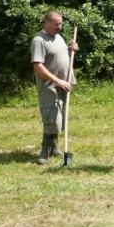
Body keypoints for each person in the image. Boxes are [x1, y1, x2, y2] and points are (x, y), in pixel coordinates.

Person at [30, 11, 77, 165]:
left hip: (64, 83)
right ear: (47, 23)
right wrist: (57, 80)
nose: (60, 27)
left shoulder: (58, 37)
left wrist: (72, 50)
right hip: (49, 85)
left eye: (61, 23)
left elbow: (60, 56)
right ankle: (45, 151)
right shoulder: (39, 40)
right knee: (51, 118)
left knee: (60, 118)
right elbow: (38, 66)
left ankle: (54, 148)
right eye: (56, 24)